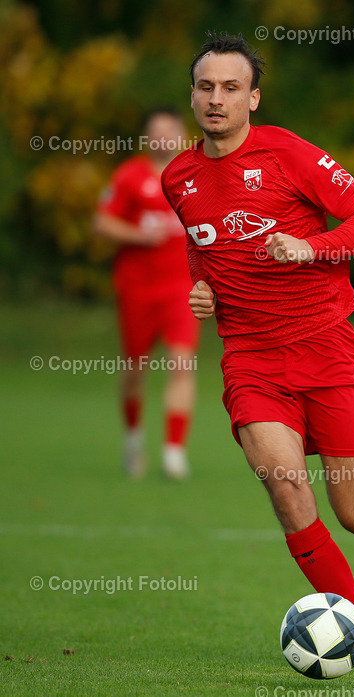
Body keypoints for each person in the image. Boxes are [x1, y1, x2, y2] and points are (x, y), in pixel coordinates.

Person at [161, 32, 354, 666]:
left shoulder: (290, 154)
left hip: (326, 348)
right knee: (287, 488)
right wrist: (200, 288)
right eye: (206, 87)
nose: (216, 99)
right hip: (252, 361)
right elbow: (199, 247)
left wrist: (311, 248)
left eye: (230, 88)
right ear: (192, 95)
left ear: (252, 98)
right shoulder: (177, 177)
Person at [94, 108, 199, 480]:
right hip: (137, 288)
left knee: (181, 363)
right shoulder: (129, 176)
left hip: (182, 289)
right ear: (146, 137)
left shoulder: (196, 173)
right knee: (135, 370)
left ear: (182, 133)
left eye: (170, 130)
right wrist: (140, 235)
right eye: (155, 131)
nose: (163, 138)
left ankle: (174, 452)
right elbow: (101, 222)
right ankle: (134, 439)